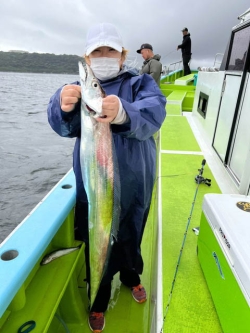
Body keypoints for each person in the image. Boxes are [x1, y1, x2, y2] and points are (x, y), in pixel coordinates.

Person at [47, 22, 166, 332]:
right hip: (94, 186)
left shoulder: (139, 84)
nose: (103, 56)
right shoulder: (78, 89)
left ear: (122, 54)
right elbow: (63, 127)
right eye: (96, 52)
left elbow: (155, 114)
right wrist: (62, 106)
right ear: (87, 59)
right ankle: (98, 298)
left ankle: (131, 277)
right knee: (97, 236)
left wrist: (124, 112)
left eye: (110, 50)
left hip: (136, 183)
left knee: (131, 232)